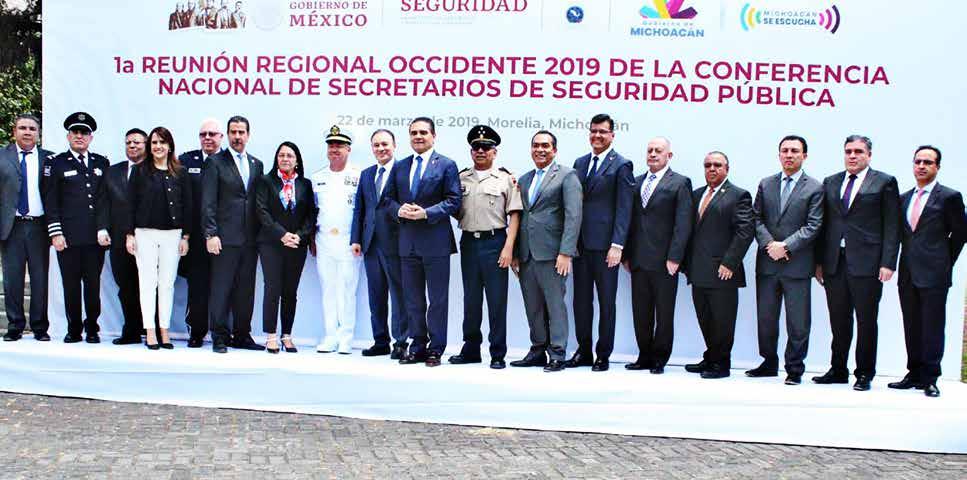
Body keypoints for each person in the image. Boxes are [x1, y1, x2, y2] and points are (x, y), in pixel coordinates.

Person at [814, 135, 900, 391]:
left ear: (869, 155)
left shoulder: (884, 182)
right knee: (839, 319)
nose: (852, 156)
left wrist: (888, 262)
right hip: (834, 262)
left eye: (858, 151)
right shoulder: (831, 181)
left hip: (868, 263)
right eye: (848, 151)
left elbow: (892, 225)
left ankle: (864, 373)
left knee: (866, 320)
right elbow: (824, 225)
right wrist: (819, 261)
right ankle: (838, 369)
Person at [381, 117, 461, 367]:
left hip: (436, 243)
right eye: (414, 132)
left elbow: (454, 200)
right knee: (413, 300)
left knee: (437, 300)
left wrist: (427, 213)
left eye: (423, 132)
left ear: (433, 136)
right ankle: (417, 346)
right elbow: (387, 200)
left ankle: (436, 349)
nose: (418, 136)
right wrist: (398, 210)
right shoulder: (400, 166)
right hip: (407, 243)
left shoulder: (446, 165)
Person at [890, 146, 967, 398]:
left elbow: (960, 233)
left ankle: (930, 378)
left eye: (928, 162)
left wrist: (944, 261)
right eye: (918, 162)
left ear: (937, 167)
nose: (922, 166)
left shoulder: (949, 197)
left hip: (935, 273)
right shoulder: (903, 198)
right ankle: (914, 373)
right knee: (911, 324)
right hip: (908, 273)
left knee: (932, 325)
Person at [746, 135, 824, 385]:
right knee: (766, 318)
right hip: (768, 263)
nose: (789, 155)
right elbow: (756, 218)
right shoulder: (766, 184)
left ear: (804, 156)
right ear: (779, 154)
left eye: (794, 151)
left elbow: (814, 225)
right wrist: (770, 245)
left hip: (797, 265)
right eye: (785, 150)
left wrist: (786, 246)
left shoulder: (815, 188)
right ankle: (768, 363)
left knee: (798, 322)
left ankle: (794, 368)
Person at [448, 125, 522, 370]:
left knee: (497, 300)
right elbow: (454, 208)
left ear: (494, 152)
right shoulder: (461, 178)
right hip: (469, 242)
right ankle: (471, 348)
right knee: (471, 299)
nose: (480, 151)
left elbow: (514, 214)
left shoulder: (506, 179)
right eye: (476, 147)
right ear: (471, 151)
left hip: (495, 242)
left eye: (486, 147)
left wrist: (509, 247)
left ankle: (498, 352)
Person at [510, 130, 582, 372]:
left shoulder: (567, 176)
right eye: (536, 145)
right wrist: (516, 253)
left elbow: (574, 216)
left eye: (545, 146)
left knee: (555, 305)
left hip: (553, 254)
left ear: (554, 150)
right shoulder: (525, 178)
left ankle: (558, 353)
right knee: (533, 306)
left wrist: (566, 252)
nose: (540, 149)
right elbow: (521, 216)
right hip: (527, 253)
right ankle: (538, 350)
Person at [568, 113, 635, 372]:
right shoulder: (580, 162)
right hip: (581, 246)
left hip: (607, 248)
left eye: (602, 132)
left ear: (612, 135)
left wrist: (618, 245)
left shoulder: (622, 165)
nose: (597, 135)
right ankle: (583, 351)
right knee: (581, 302)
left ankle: (602, 354)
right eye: (593, 131)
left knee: (607, 302)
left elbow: (624, 209)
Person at [622, 137, 692, 374]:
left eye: (658, 151)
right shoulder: (636, 182)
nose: (653, 154)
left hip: (665, 262)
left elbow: (683, 224)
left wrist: (675, 257)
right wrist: (626, 255)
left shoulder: (680, 183)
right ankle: (644, 355)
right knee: (641, 312)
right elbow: (629, 222)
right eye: (650, 150)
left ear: (668, 156)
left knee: (663, 313)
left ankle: (660, 358)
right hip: (638, 260)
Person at [683, 151, 754, 379]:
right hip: (698, 270)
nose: (712, 169)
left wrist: (730, 263)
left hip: (723, 271)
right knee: (705, 318)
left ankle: (721, 365)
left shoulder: (739, 195)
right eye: (708, 165)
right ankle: (711, 357)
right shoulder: (696, 195)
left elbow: (745, 232)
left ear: (727, 169)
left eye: (717, 165)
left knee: (722, 321)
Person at [44, 112, 111, 343]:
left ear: (91, 137)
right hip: (68, 237)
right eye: (75, 132)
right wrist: (56, 233)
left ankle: (92, 328)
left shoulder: (101, 162)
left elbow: (103, 199)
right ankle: (73, 329)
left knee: (93, 285)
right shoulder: (56, 163)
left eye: (84, 132)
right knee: (70, 285)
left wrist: (103, 228)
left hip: (94, 238)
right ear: (68, 136)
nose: (79, 136)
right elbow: (50, 201)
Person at [124, 127, 192, 350]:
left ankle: (164, 329)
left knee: (167, 284)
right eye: (154, 142)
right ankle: (150, 330)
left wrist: (186, 236)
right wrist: (129, 234)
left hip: (173, 235)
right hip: (145, 234)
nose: (158, 146)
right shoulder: (139, 171)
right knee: (147, 283)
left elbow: (188, 206)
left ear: (170, 145)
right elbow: (129, 204)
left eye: (162, 142)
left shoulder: (180, 172)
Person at [201, 115, 264, 353]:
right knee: (221, 288)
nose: (237, 136)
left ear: (248, 135)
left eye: (241, 132)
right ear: (227, 135)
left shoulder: (257, 164)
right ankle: (219, 336)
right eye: (233, 132)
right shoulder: (215, 162)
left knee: (246, 290)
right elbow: (208, 201)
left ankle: (242, 335)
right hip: (224, 238)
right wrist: (210, 234)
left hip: (250, 239)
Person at [351, 129, 408, 359]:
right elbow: (360, 208)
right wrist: (356, 239)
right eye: (376, 145)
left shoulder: (403, 170)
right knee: (376, 295)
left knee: (398, 295)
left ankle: (401, 342)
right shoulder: (366, 174)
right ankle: (380, 341)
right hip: (371, 244)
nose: (381, 148)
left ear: (394, 145)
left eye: (385, 144)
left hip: (396, 243)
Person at [256, 142, 315, 353]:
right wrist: (282, 234)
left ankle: (287, 335)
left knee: (290, 291)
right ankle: (271, 336)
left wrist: (299, 236)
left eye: (290, 155)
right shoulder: (265, 181)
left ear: (297, 160)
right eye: (281, 155)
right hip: (271, 243)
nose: (285, 159)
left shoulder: (305, 184)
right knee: (272, 288)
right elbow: (261, 211)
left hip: (296, 245)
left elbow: (311, 214)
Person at [310, 126, 363, 354]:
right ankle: (330, 336)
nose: (334, 149)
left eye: (339, 145)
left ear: (348, 149)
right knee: (328, 290)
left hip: (349, 241)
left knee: (347, 290)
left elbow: (362, 211)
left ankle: (346, 338)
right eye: (331, 145)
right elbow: (312, 212)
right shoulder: (317, 177)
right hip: (324, 240)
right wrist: (312, 240)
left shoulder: (359, 176)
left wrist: (358, 239)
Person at [0, 114, 52, 342]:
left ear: (38, 133)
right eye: (23, 128)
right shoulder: (2, 156)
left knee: (40, 278)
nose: (27, 132)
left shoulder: (49, 158)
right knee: (12, 279)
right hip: (11, 227)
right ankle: (15, 326)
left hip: (39, 226)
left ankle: (40, 327)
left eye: (32, 128)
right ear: (14, 132)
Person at [178, 118, 223, 348]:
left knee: (223, 287)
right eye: (203, 134)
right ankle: (196, 331)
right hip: (195, 237)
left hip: (222, 236)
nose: (207, 138)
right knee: (197, 286)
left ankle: (221, 333)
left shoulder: (230, 161)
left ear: (221, 137)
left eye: (212, 134)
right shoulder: (186, 161)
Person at [105, 128, 149, 345]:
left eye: (137, 142)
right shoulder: (112, 171)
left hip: (149, 239)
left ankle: (151, 330)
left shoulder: (156, 170)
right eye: (128, 142)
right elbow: (103, 203)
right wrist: (102, 229)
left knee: (150, 287)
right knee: (126, 286)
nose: (132, 146)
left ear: (146, 145)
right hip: (120, 240)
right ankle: (131, 330)